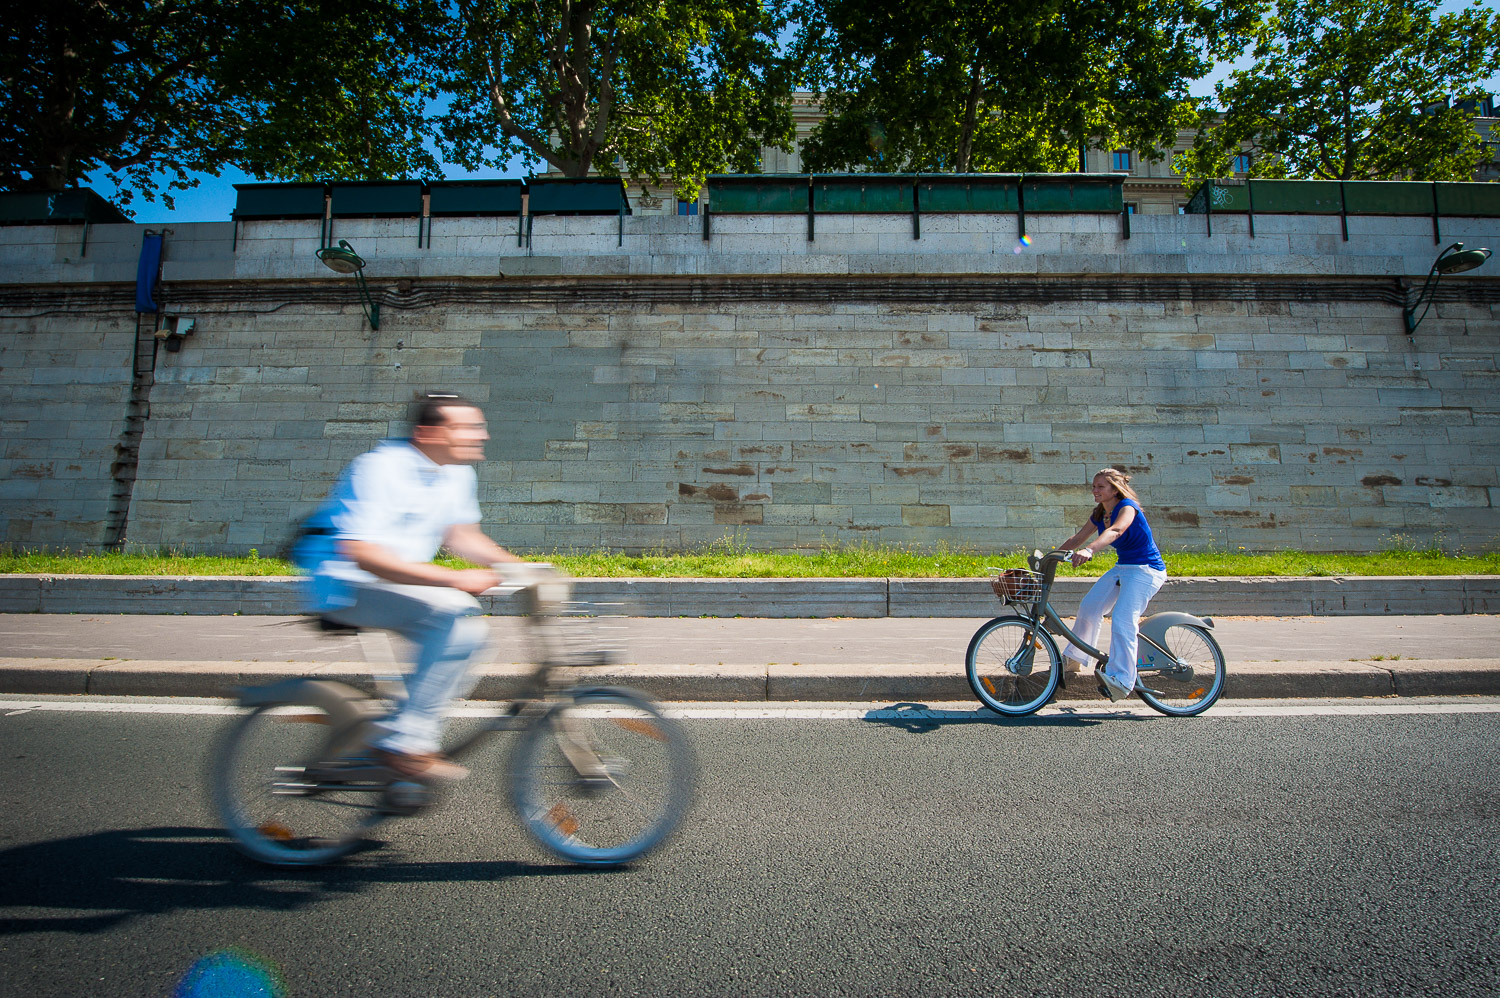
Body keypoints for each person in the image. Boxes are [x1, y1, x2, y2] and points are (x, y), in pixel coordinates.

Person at [293, 393, 523, 780]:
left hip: (399, 586)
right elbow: (361, 554)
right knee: (456, 621)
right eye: (467, 427)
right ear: (427, 433)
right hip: (347, 585)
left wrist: (523, 569)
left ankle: (399, 731)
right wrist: (454, 578)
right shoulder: (379, 469)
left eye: (479, 426)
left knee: (462, 627)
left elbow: (463, 536)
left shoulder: (455, 472)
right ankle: (406, 743)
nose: (481, 435)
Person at [1057, 467, 1168, 703]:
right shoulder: (1100, 512)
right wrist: (1049, 557)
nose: (1095, 490)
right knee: (1089, 606)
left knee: (1122, 618)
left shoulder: (1127, 507)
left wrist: (1090, 550)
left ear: (1114, 490)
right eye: (1094, 486)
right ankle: (1075, 657)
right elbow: (1077, 538)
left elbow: (1116, 531)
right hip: (1124, 568)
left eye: (1100, 487)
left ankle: (1123, 680)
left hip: (1146, 570)